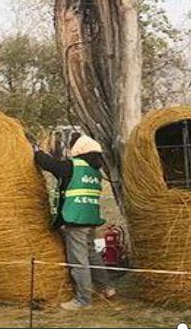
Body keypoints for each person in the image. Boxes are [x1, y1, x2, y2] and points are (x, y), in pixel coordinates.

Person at [34, 133, 116, 311]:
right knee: (92, 254)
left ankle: (83, 300)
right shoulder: (95, 171)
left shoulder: (73, 166)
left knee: (78, 261)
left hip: (76, 219)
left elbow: (51, 165)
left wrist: (37, 152)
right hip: (90, 217)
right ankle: (106, 287)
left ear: (79, 150)